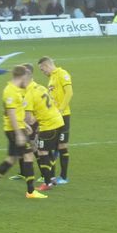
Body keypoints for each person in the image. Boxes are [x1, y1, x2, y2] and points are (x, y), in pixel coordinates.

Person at [0, 66, 47, 200]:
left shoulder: (15, 90)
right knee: (28, 156)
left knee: (11, 159)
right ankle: (30, 191)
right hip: (13, 130)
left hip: (17, 128)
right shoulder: (10, 91)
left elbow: (16, 112)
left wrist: (25, 125)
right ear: (22, 77)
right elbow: (10, 113)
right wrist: (19, 133)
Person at [23, 63, 64, 192]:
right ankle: (51, 179)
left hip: (49, 125)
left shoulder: (29, 94)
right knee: (46, 151)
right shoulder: (40, 87)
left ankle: (48, 182)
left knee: (42, 152)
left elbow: (29, 119)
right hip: (58, 121)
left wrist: (19, 121)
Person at [38, 56, 73, 184]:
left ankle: (63, 177)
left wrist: (61, 109)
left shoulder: (62, 74)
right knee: (52, 146)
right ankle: (51, 176)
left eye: (42, 70)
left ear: (47, 65)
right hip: (53, 117)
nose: (43, 72)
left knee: (62, 145)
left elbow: (69, 92)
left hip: (63, 115)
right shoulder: (51, 78)